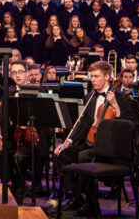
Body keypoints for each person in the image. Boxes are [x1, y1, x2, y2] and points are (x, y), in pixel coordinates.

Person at [50, 61, 129, 216]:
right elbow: (83, 124)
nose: (92, 79)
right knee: (62, 155)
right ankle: (77, 196)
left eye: (96, 76)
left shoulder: (121, 97)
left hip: (110, 148)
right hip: (90, 142)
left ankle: (92, 205)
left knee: (83, 156)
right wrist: (68, 142)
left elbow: (126, 126)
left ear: (107, 77)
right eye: (91, 76)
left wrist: (115, 105)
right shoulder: (90, 97)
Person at [0, 61, 49, 204]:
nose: (17, 75)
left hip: (33, 137)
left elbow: (45, 119)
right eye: (13, 73)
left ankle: (20, 186)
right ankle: (17, 183)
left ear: (27, 72)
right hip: (13, 136)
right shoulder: (9, 91)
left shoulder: (38, 90)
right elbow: (1, 117)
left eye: (20, 72)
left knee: (19, 156)